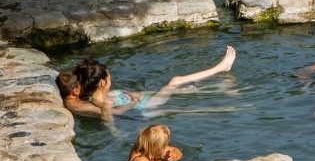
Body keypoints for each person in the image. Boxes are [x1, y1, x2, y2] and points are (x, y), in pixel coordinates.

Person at [64, 46, 237, 122]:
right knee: (175, 81)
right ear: (102, 82)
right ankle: (221, 67)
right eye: (109, 77)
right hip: (146, 106)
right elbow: (112, 112)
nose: (111, 79)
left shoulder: (92, 97)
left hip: (145, 100)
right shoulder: (100, 103)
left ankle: (220, 86)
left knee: (186, 88)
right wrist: (134, 102)